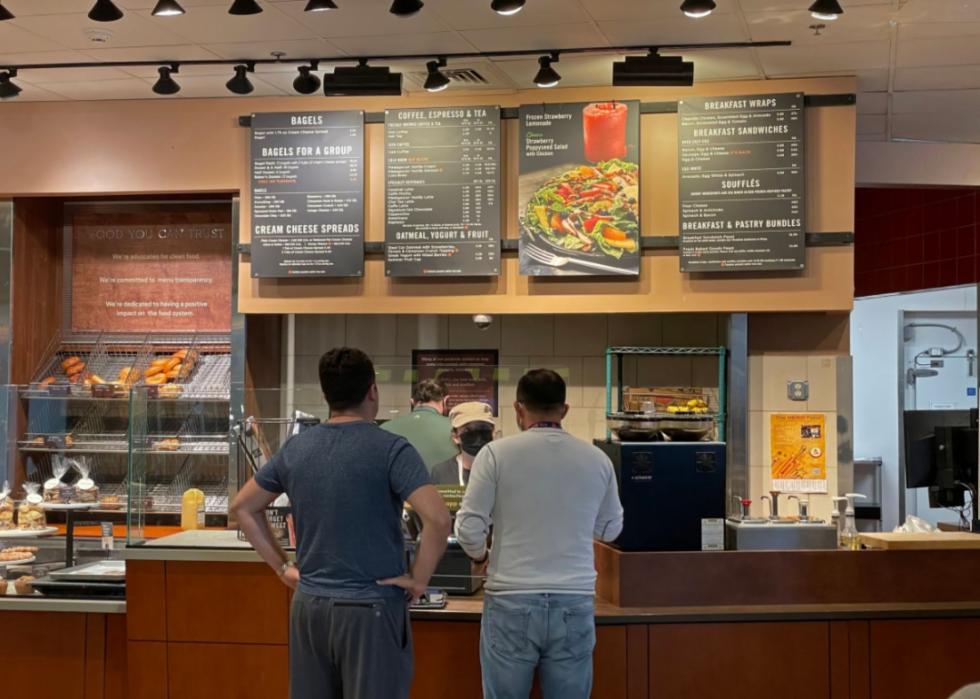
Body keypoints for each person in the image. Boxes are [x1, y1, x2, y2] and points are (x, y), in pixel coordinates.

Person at [232, 347, 451, 699]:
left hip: (310, 607)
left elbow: (243, 507)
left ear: (325, 394)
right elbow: (438, 519)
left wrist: (282, 567)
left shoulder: (297, 448)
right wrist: (418, 579)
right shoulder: (392, 449)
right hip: (372, 609)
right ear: (373, 391)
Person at [455, 369, 624, 699]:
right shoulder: (597, 460)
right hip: (573, 601)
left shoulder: (494, 455)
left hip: (510, 599)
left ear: (519, 410)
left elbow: (469, 529)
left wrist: (481, 556)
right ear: (564, 410)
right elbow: (610, 529)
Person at [382, 378, 457, 471]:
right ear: (446, 401)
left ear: (412, 402)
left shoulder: (384, 429)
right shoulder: (456, 428)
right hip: (446, 485)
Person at [430, 401, 496, 487]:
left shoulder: (502, 470)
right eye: (468, 430)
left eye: (483, 428)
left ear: (493, 432)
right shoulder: (441, 472)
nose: (478, 435)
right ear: (455, 437)